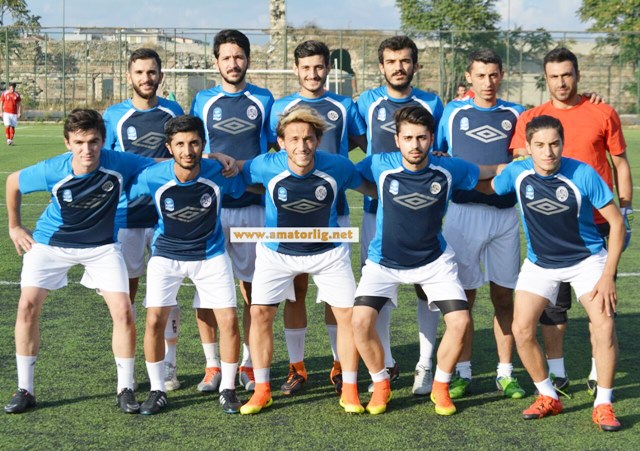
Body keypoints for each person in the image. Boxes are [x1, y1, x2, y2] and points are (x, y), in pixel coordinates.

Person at [4, 109, 154, 414]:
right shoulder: (53, 169)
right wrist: (15, 226)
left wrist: (211, 157)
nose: (87, 150)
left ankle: (125, 388)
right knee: (27, 305)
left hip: (101, 247)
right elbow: (13, 182)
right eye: (79, 142)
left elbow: (166, 164)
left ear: (103, 141)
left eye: (94, 141)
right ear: (67, 143)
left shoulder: (119, 163)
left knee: (123, 310)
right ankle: (25, 389)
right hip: (51, 243)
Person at [353, 105, 500, 415]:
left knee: (460, 321)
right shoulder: (379, 163)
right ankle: (381, 384)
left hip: (433, 261)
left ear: (432, 138)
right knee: (360, 322)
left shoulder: (449, 168)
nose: (415, 145)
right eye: (408, 138)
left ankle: (441, 386)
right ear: (397, 140)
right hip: (384, 261)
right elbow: (352, 177)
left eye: (421, 138)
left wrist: (521, 164)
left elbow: (487, 172)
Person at [238, 105, 375, 415]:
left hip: (328, 252)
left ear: (318, 140)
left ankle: (350, 390)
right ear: (281, 142)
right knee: (259, 313)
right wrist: (219, 159)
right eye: (294, 139)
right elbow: (238, 171)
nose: (302, 146)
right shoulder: (265, 165)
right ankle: (262, 390)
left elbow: (369, 186)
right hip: (276, 252)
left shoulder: (338, 166)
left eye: (309, 139)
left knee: (347, 316)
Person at [512, 47, 632, 397]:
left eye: (567, 74)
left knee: (601, 307)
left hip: (598, 222)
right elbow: (520, 163)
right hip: (552, 224)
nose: (561, 82)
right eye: (554, 76)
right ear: (545, 79)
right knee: (553, 308)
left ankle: (597, 370)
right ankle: (558, 372)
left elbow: (620, 163)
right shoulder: (532, 118)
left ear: (577, 75)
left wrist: (625, 210)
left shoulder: (602, 111)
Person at [491, 115, 624, 431]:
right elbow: (495, 183)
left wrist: (607, 275)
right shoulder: (518, 173)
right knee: (521, 329)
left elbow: (617, 223)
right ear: (528, 147)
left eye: (554, 144)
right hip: (540, 263)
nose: (548, 152)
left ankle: (604, 404)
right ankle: (548, 395)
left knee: (604, 325)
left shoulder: (583, 173)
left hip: (587, 260)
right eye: (540, 145)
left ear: (563, 144)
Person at [128, 115, 251, 414]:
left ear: (203, 145)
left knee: (229, 320)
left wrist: (226, 161)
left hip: (210, 255)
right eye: (180, 144)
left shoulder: (218, 172)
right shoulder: (152, 176)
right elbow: (126, 192)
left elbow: (240, 187)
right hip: (166, 256)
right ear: (169, 147)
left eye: (194, 143)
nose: (188, 150)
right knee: (154, 321)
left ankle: (228, 388)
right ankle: (157, 389)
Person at [269, 39, 367, 396]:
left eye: (319, 67)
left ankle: (339, 366)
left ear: (328, 68)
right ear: (296, 69)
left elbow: (361, 144)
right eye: (306, 67)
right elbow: (274, 152)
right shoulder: (280, 107)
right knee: (295, 293)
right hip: (290, 216)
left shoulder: (344, 105)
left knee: (334, 297)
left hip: (333, 215)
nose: (313, 74)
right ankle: (297, 368)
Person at [357, 35, 444, 395]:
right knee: (379, 292)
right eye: (391, 61)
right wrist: (382, 187)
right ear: (381, 66)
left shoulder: (432, 103)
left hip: (423, 212)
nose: (398, 67)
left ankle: (425, 364)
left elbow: (441, 150)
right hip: (376, 214)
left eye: (405, 60)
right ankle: (388, 362)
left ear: (415, 65)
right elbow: (357, 143)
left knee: (427, 289)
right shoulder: (365, 102)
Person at [436, 49, 526, 400]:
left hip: (504, 214)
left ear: (501, 75)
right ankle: (463, 373)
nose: (487, 82)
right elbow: (442, 157)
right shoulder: (453, 112)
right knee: (464, 298)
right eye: (480, 75)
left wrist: (483, 178)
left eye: (493, 75)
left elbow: (519, 164)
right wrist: (489, 176)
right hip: (463, 214)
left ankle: (505, 373)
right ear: (468, 77)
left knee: (504, 297)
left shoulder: (516, 113)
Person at [191, 29, 274, 394]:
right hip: (211, 210)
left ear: (248, 60)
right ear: (216, 62)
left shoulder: (264, 99)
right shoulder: (203, 100)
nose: (233, 63)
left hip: (253, 207)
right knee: (206, 291)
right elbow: (191, 147)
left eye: (239, 56)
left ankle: (250, 363)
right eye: (226, 57)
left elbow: (276, 149)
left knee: (255, 290)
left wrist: (249, 169)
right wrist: (213, 156)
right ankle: (212, 365)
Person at [103, 48, 185, 391]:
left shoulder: (173, 111)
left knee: (168, 292)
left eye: (151, 72)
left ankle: (168, 365)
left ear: (160, 76)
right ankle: (130, 368)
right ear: (129, 76)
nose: (146, 78)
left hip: (168, 216)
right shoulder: (114, 115)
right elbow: (104, 162)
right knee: (127, 295)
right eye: (139, 72)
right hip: (127, 216)